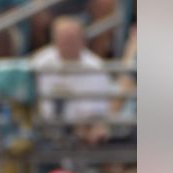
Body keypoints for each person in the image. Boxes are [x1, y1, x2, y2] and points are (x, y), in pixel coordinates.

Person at [31, 16, 118, 145]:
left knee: (99, 132)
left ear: (83, 41)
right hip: (43, 128)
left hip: (84, 129)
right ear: (55, 41)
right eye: (64, 39)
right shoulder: (39, 64)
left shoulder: (96, 67)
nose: (68, 44)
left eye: (72, 39)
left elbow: (100, 110)